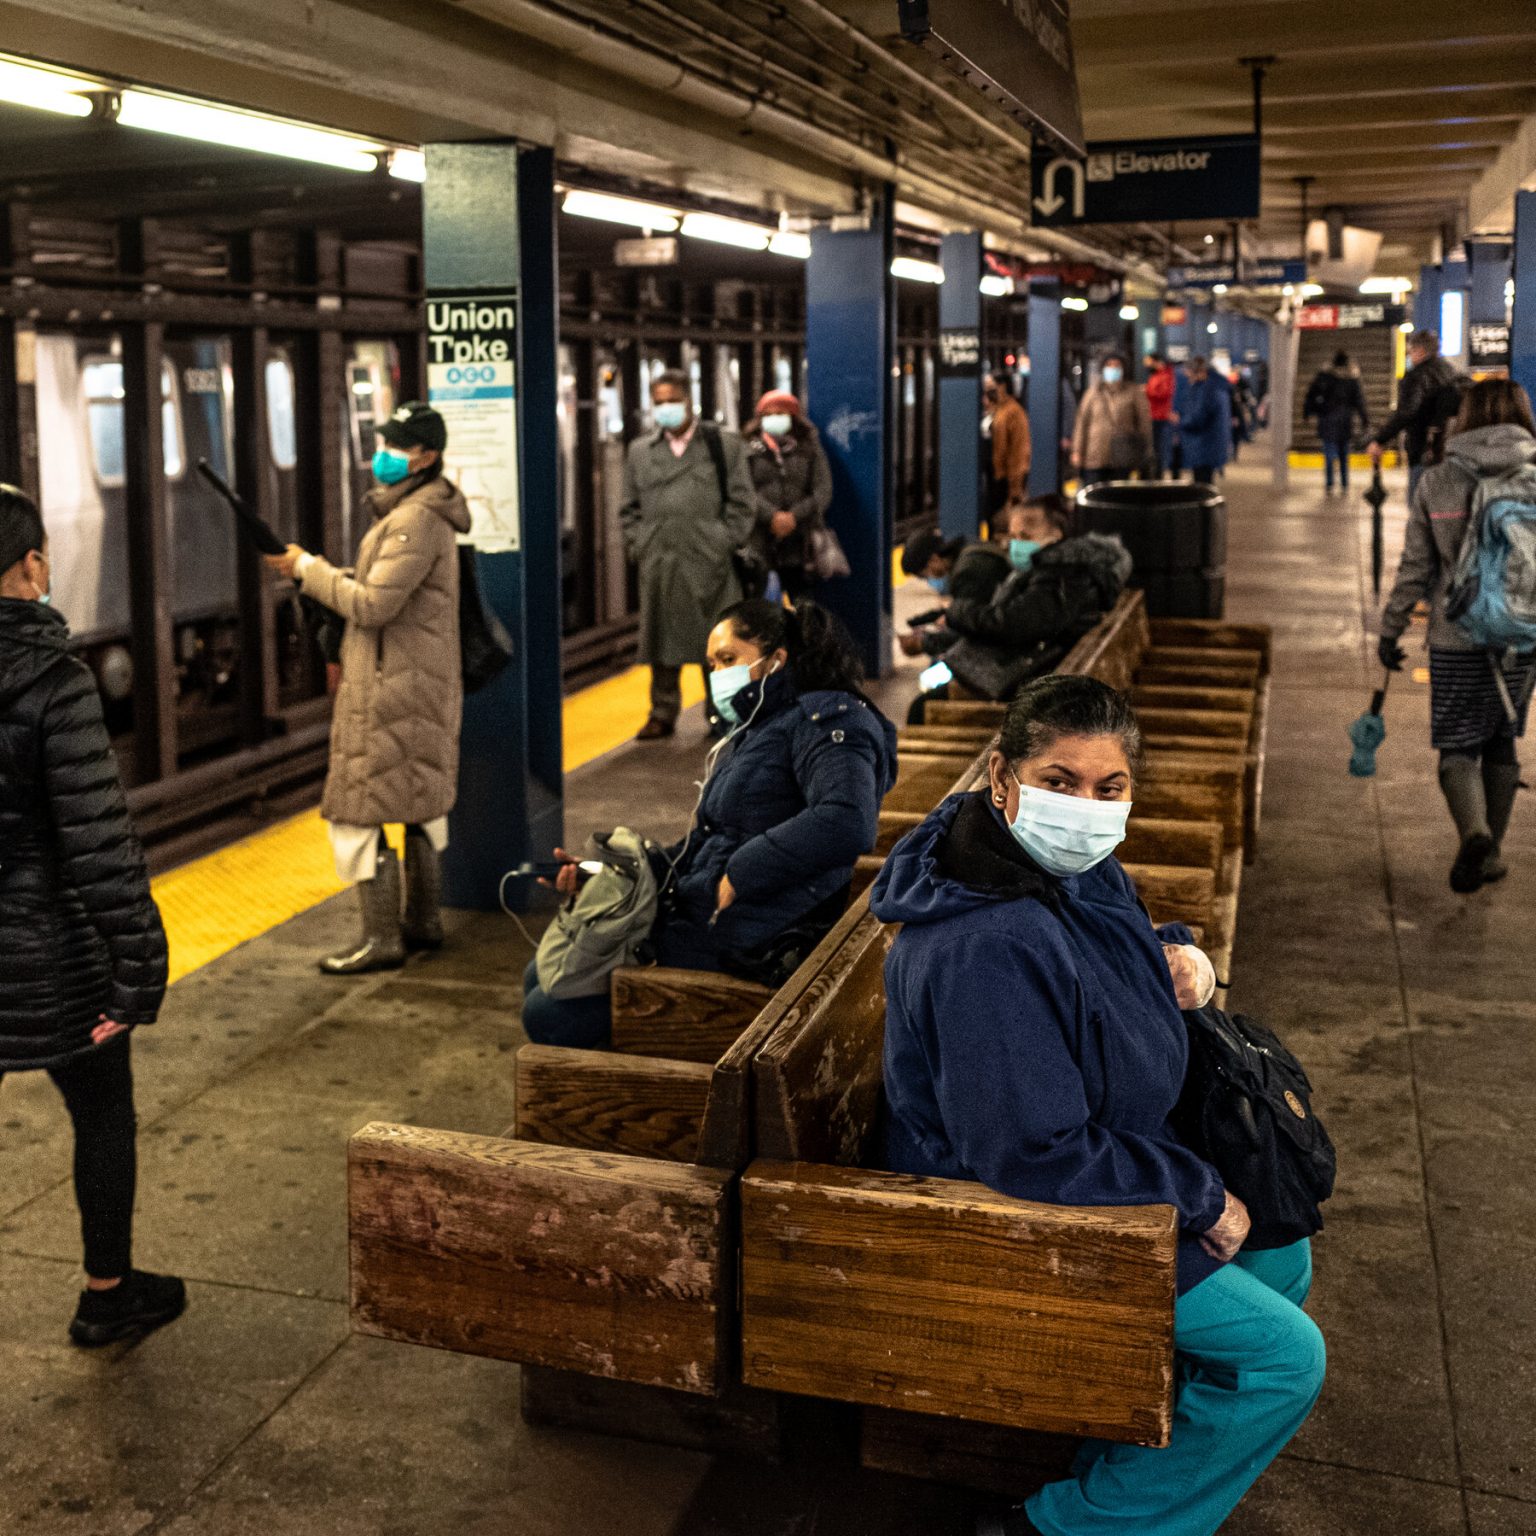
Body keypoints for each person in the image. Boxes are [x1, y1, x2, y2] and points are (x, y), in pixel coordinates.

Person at [871, 675, 1325, 1536]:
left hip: (1102, 1149)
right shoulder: (983, 946)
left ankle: (1129, 1468)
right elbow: (1031, 1150)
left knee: (1281, 1255)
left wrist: (1178, 954)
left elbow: (1098, 955)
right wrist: (1197, 1195)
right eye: (1060, 782)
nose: (1085, 807)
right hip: (1009, 1201)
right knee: (1281, 1362)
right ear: (1002, 779)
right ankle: (1063, 1527)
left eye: (1109, 789)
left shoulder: (1060, 868)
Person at [522, 600, 897, 1048]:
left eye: (728, 659)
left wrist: (743, 870)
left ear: (776, 658)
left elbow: (846, 819)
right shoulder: (757, 725)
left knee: (549, 1011)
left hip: (753, 939)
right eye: (712, 664)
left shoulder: (828, 719)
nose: (718, 674)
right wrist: (613, 875)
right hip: (708, 917)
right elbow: (709, 838)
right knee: (541, 974)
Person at [0, 485, 184, 1346]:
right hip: (52, 960)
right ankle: (107, 1294)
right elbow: (100, 846)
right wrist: (139, 972)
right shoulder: (53, 680)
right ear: (32, 564)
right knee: (102, 1111)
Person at [266, 401, 470, 974]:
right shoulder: (421, 513)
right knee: (417, 807)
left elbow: (374, 605)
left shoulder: (414, 519)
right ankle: (422, 923)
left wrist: (311, 570)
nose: (382, 454)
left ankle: (381, 940)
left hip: (392, 688)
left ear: (425, 457)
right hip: (413, 680)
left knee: (358, 812)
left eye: (395, 446)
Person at [1379, 378, 1536, 893]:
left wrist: (1393, 627)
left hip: (1456, 634)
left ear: (1463, 418)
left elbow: (1416, 567)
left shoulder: (1438, 480)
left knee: (1457, 746)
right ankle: (1489, 853)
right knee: (1502, 739)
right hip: (1521, 637)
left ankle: (1474, 834)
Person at [622, 369, 755, 740]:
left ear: (688, 401)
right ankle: (662, 712)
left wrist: (722, 540)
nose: (665, 409)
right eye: (659, 403)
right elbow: (628, 509)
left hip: (711, 562)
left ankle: (723, 712)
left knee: (718, 642)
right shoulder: (640, 452)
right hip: (661, 562)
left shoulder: (721, 445)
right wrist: (640, 544)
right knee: (662, 641)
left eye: (671, 401)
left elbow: (744, 502)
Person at [742, 389, 832, 603]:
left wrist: (794, 517)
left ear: (793, 417)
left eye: (781, 414)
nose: (774, 419)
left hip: (801, 544)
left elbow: (823, 490)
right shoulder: (746, 449)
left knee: (804, 606)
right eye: (769, 414)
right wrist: (772, 516)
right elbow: (742, 490)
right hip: (760, 542)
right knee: (760, 607)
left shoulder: (810, 448)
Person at [1368, 329, 1463, 498]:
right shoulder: (1451, 372)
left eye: (1410, 351)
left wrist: (1380, 440)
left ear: (1420, 351)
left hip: (1424, 452)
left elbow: (1407, 412)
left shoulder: (1417, 376)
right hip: (1451, 451)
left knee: (1419, 509)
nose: (1409, 355)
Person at [1072, 354, 1151, 485]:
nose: (1113, 369)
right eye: (1109, 365)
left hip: (1122, 456)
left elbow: (1144, 424)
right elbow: (1082, 423)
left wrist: (1144, 451)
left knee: (1118, 496)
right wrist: (1077, 451)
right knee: (1094, 493)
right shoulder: (1092, 393)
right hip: (1095, 455)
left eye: (1117, 366)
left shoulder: (1133, 392)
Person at [1304, 351, 1370, 493]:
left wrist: (1307, 413)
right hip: (1345, 422)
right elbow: (1359, 401)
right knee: (1343, 455)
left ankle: (1329, 484)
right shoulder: (1352, 379)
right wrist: (1365, 419)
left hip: (1327, 421)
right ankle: (1344, 484)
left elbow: (1311, 395)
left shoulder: (1324, 377)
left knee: (1329, 454)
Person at [899, 526, 1010, 605]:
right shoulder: (968, 548)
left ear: (933, 559)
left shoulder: (965, 571)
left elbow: (971, 623)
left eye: (924, 575)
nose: (929, 578)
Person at [1175, 355, 1233, 485]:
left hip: (1203, 445)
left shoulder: (1206, 390)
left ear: (1198, 371)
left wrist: (1180, 420)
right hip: (1211, 444)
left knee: (1202, 484)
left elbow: (1198, 418)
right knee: (1206, 481)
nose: (1186, 375)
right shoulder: (1217, 386)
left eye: (1189, 371)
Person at [984, 371, 1032, 510]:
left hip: (1004, 476)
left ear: (1002, 387)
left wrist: (1016, 484)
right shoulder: (995, 410)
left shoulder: (1014, 412)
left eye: (991, 387)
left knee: (1001, 514)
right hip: (993, 472)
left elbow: (1020, 449)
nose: (988, 391)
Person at [1144, 353, 1177, 479]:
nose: (1146, 365)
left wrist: (1147, 390)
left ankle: (1159, 475)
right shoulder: (1156, 375)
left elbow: (1164, 393)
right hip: (1153, 416)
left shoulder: (1166, 375)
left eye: (1148, 362)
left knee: (1160, 449)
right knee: (1154, 449)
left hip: (1161, 417)